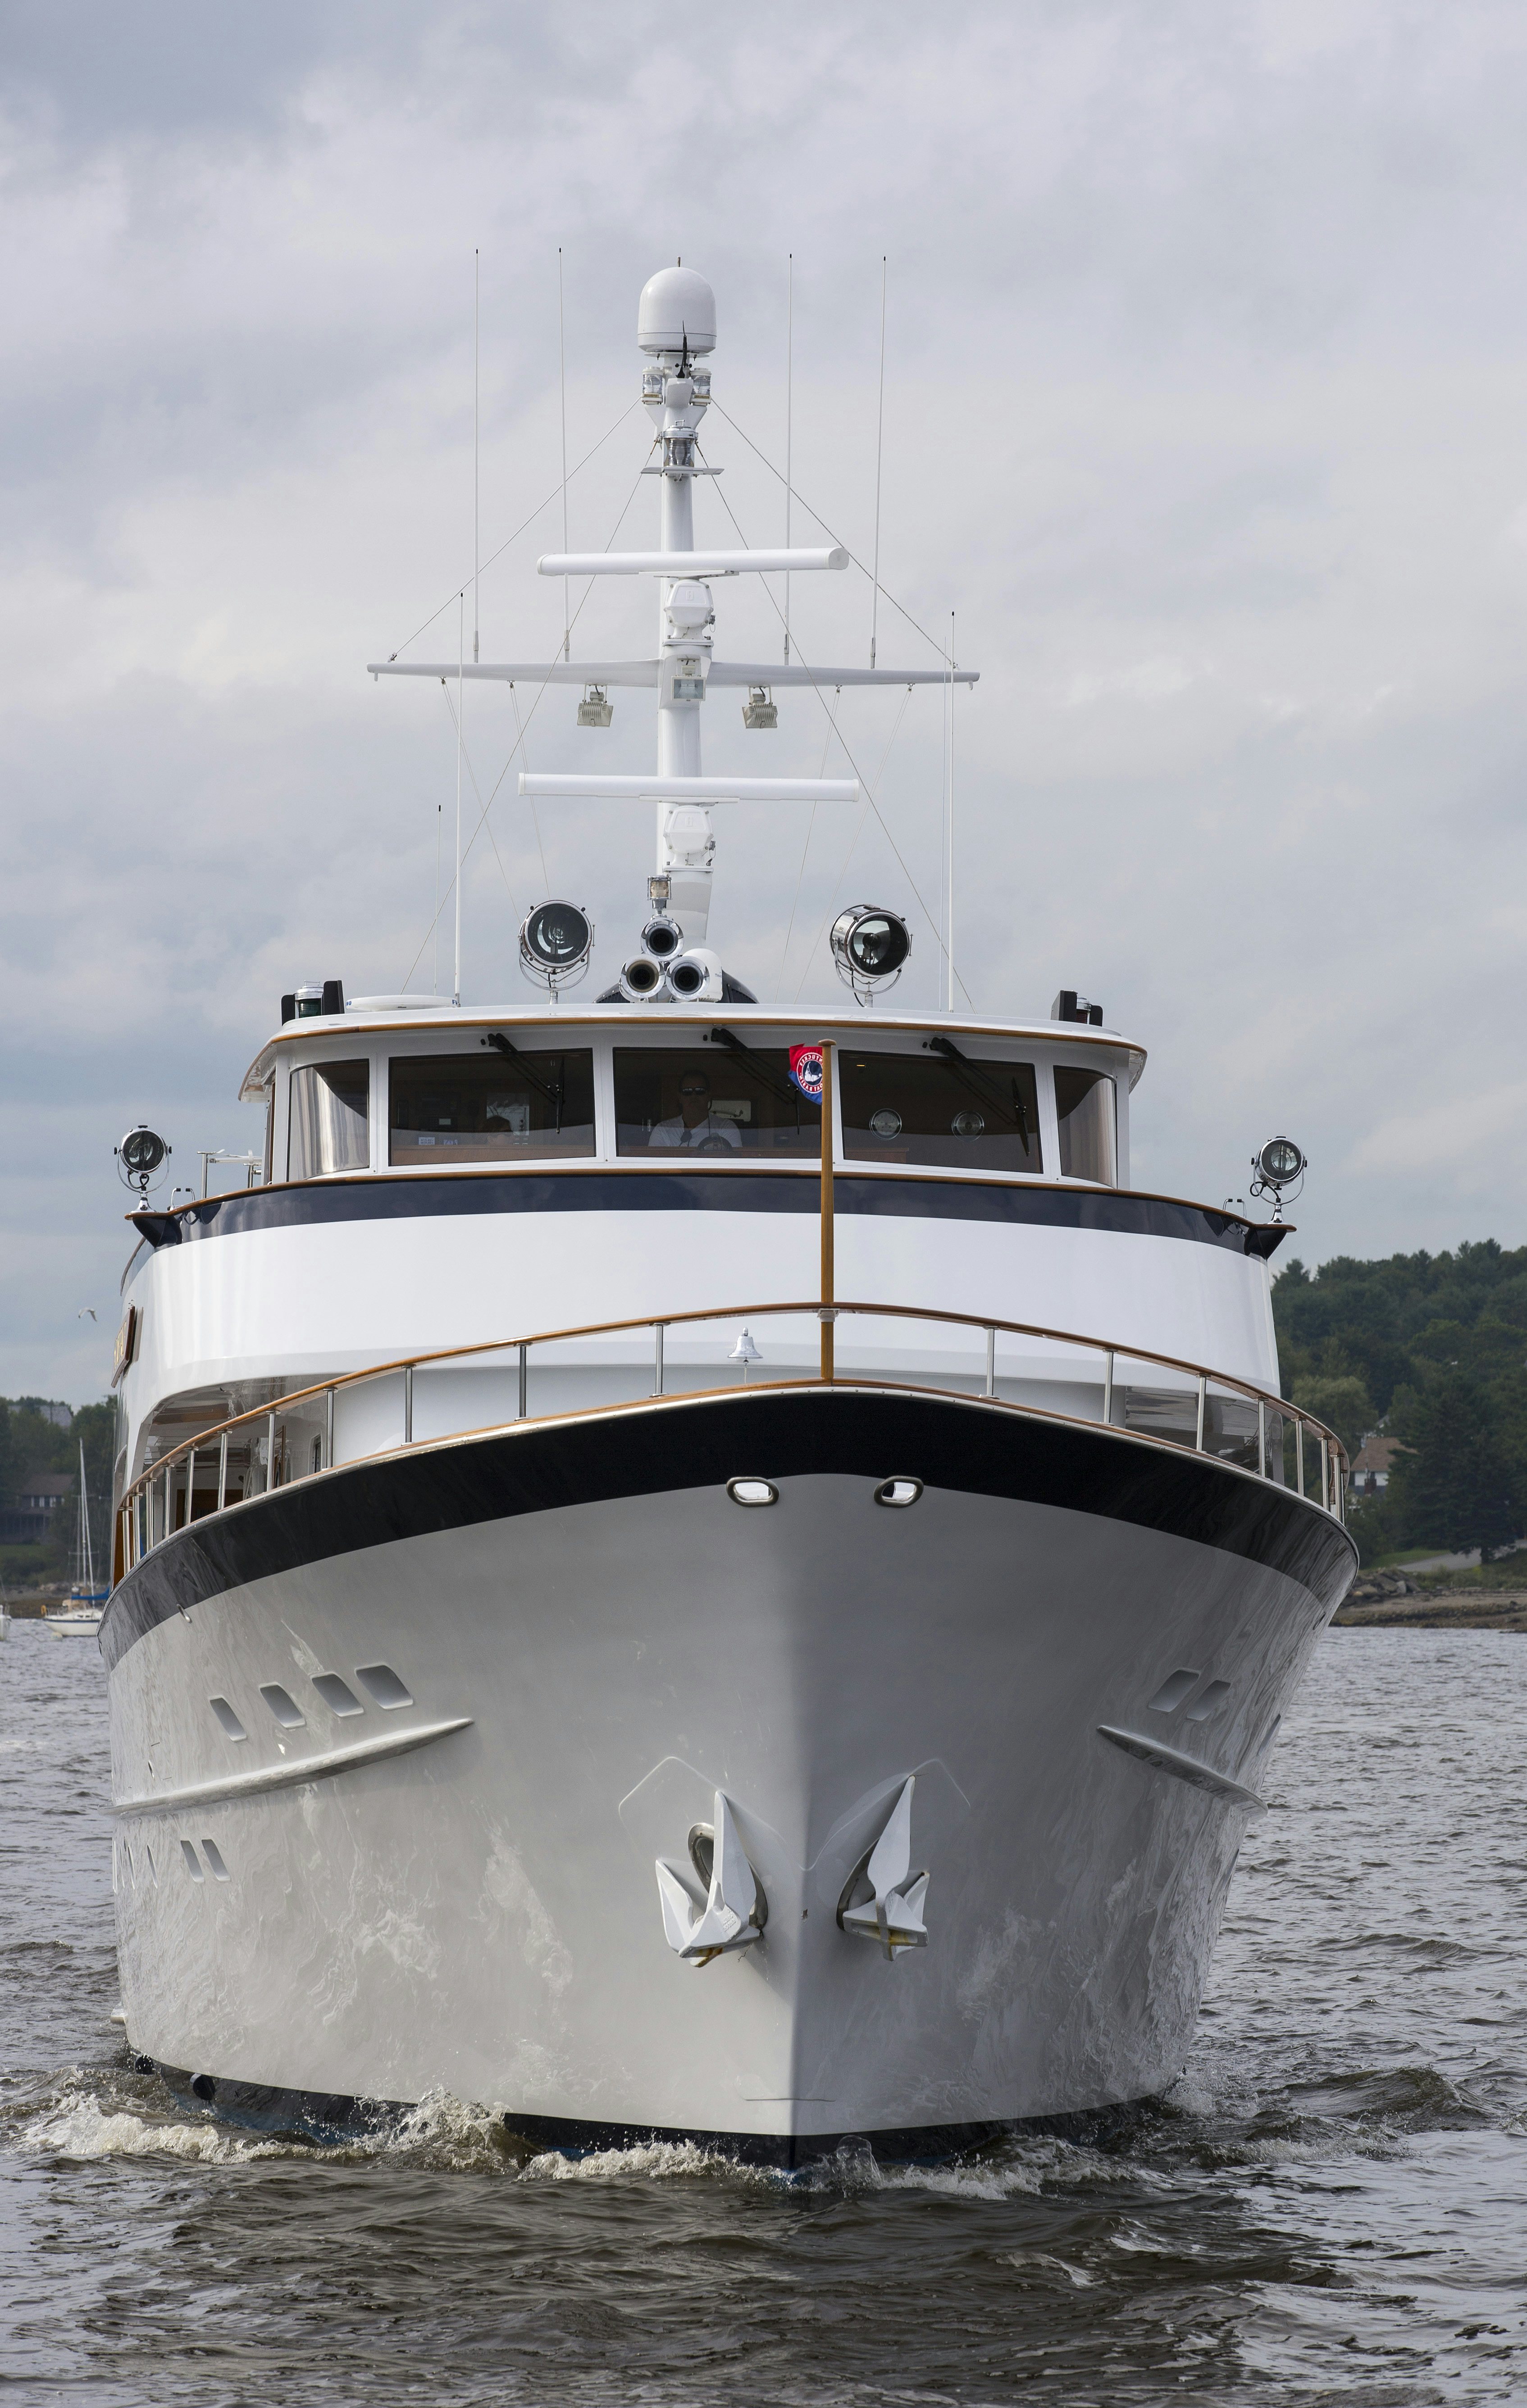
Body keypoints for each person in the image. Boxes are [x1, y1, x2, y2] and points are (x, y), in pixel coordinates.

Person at [648, 1070, 743, 1150]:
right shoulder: (663, 1130)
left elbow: (733, 1165)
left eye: (700, 1091)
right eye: (687, 1092)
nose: (694, 1097)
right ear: (680, 1097)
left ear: (709, 1095)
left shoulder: (726, 1128)